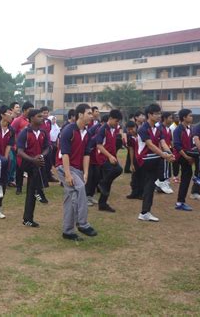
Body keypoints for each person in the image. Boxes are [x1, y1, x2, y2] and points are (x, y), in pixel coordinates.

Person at [56, 103, 97, 241]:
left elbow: (86, 154)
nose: (92, 116)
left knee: (71, 199)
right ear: (80, 115)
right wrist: (67, 174)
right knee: (80, 188)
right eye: (89, 113)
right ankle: (83, 223)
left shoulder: (86, 132)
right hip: (65, 167)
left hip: (78, 169)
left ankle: (67, 231)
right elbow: (65, 154)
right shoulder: (69, 130)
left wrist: (85, 173)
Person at [135, 104, 174, 222]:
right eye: (156, 114)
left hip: (153, 158)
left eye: (159, 113)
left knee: (149, 186)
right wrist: (164, 155)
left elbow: (163, 142)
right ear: (149, 115)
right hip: (144, 158)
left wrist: (169, 152)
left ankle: (145, 212)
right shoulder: (143, 128)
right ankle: (162, 180)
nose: (159, 116)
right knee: (161, 159)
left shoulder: (158, 128)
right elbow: (150, 145)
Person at [17, 109, 50, 227]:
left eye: (42, 116)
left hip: (37, 162)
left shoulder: (43, 132)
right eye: (39, 116)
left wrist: (41, 156)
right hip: (26, 162)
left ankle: (28, 218)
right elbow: (19, 151)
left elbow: (47, 148)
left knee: (32, 188)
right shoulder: (24, 133)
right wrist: (33, 159)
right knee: (35, 177)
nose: (42, 118)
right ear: (31, 118)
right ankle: (39, 191)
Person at [95, 109, 124, 212]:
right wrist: (110, 156)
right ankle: (102, 184)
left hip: (110, 157)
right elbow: (98, 145)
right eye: (116, 121)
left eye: (119, 122)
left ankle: (102, 204)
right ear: (110, 118)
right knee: (117, 170)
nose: (118, 123)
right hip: (103, 159)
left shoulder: (113, 129)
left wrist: (113, 155)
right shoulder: (103, 129)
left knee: (108, 181)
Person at [172, 109, 195, 211]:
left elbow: (190, 144)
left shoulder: (188, 129)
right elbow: (177, 145)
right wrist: (186, 157)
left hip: (187, 155)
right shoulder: (178, 130)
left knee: (187, 177)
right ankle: (180, 202)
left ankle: (181, 201)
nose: (191, 117)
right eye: (190, 116)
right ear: (184, 117)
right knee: (186, 178)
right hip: (181, 156)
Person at [11, 101, 34, 195]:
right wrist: (16, 145)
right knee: (19, 168)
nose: (32, 111)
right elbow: (11, 132)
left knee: (31, 168)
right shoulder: (18, 120)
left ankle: (31, 187)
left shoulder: (32, 120)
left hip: (30, 149)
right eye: (30, 110)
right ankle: (19, 187)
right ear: (24, 110)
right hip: (20, 149)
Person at [155, 112, 175, 194]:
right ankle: (161, 182)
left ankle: (163, 183)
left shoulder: (169, 129)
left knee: (167, 168)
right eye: (170, 118)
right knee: (162, 169)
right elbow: (159, 141)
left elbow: (170, 141)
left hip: (167, 150)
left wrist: (171, 151)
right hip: (161, 152)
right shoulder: (159, 128)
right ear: (165, 118)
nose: (172, 120)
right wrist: (160, 152)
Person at [125, 121, 143, 200]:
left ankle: (141, 193)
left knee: (143, 176)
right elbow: (131, 150)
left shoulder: (142, 135)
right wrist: (131, 163)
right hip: (136, 159)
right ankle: (134, 193)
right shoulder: (129, 137)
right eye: (128, 130)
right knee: (134, 176)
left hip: (143, 159)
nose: (130, 131)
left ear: (136, 127)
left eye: (132, 129)